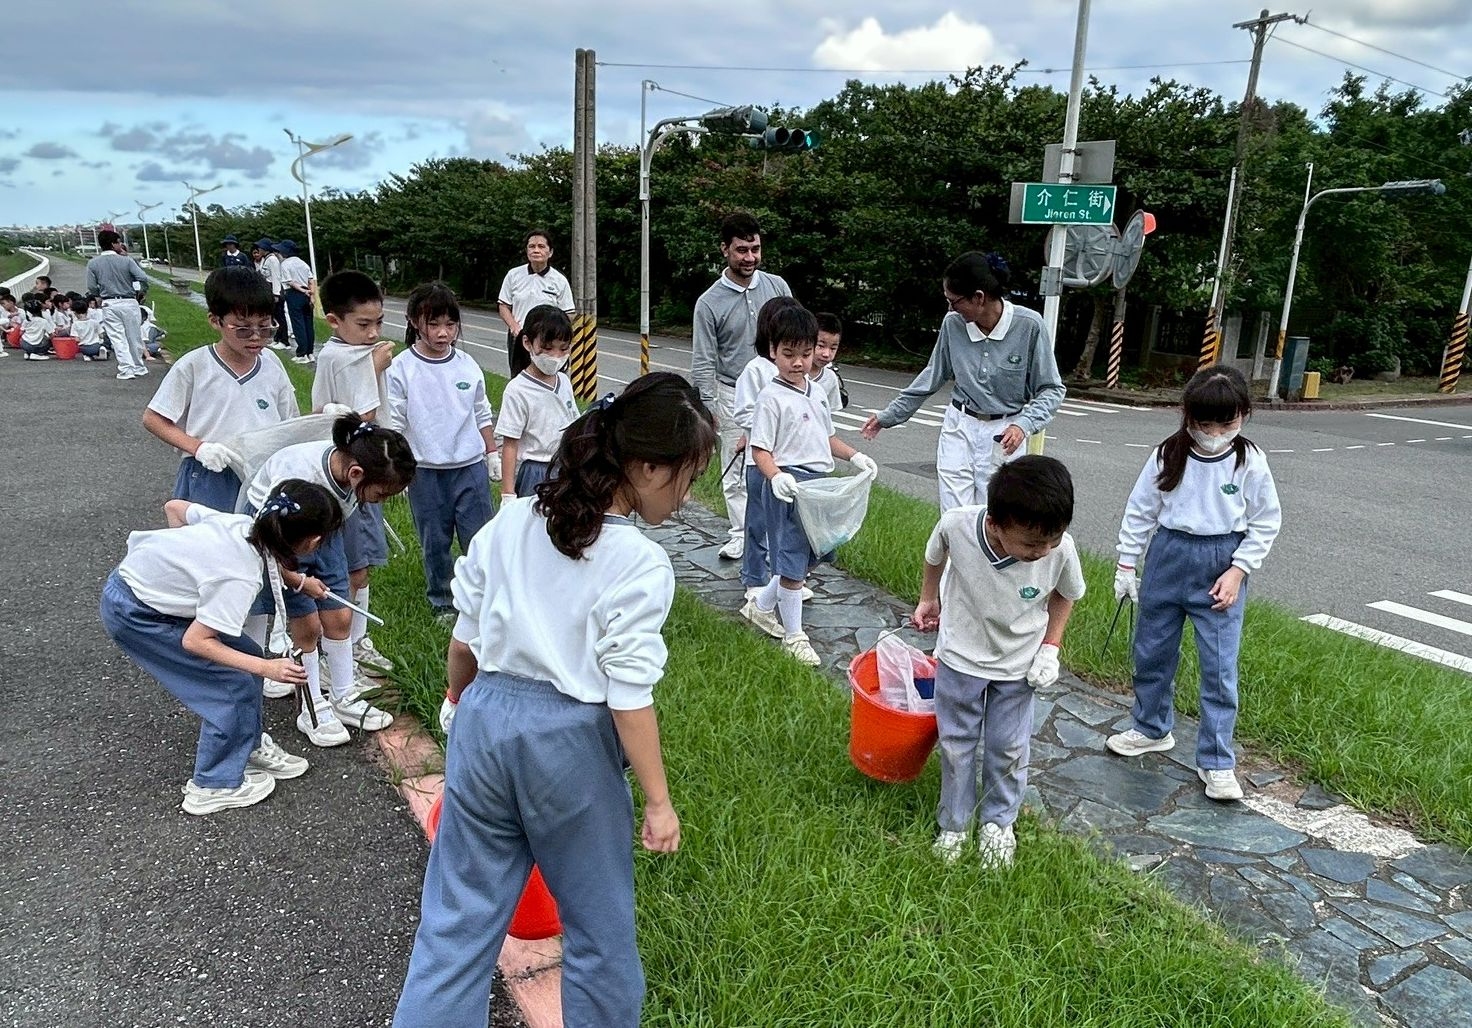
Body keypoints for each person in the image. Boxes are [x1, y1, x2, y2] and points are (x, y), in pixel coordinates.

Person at [394, 372, 716, 1028]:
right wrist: (658, 802)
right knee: (598, 933)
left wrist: (456, 702)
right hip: (568, 746)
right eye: (688, 477)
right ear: (648, 468)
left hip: (483, 723)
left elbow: (464, 643)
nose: (686, 496)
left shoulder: (511, 521)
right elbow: (629, 697)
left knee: (455, 925)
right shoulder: (639, 561)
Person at [99, 479, 343, 815]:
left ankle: (246, 746)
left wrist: (297, 581)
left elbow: (175, 508)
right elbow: (195, 641)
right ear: (312, 542)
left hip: (139, 591)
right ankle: (213, 785)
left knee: (247, 655)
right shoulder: (238, 577)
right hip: (138, 614)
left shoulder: (243, 525)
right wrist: (268, 668)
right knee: (231, 684)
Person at [1106, 365, 1281, 802]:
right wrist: (1126, 564)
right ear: (1187, 415)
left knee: (1219, 668)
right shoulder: (1169, 454)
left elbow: (1265, 522)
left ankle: (1217, 759)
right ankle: (1151, 727)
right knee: (1151, 651)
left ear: (1244, 415)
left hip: (1221, 564)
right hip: (1168, 555)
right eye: (1205, 424)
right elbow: (1140, 510)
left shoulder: (1249, 460)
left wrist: (1238, 570)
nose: (1215, 434)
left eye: (1227, 423)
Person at [910, 456, 1085, 866]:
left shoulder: (1060, 550)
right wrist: (928, 598)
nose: (1042, 551)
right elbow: (935, 555)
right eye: (1031, 544)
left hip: (1017, 664)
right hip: (960, 656)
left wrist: (1051, 647)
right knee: (956, 743)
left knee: (1008, 747)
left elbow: (1067, 594)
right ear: (994, 524)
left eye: (1052, 539)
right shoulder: (957, 525)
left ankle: (997, 823)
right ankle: (954, 824)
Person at [245, 414, 417, 746]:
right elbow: (265, 540)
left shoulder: (352, 473)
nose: (380, 502)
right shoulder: (297, 473)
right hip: (282, 541)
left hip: (324, 532)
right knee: (307, 627)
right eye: (381, 495)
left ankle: (343, 694)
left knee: (340, 616)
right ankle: (311, 707)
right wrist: (297, 580)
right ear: (356, 474)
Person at [861, 251, 1065, 512]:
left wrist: (1023, 425)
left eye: (954, 301)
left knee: (994, 514)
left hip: (1005, 432)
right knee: (954, 514)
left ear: (979, 297)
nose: (950, 309)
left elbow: (1051, 389)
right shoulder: (953, 324)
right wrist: (889, 416)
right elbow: (932, 376)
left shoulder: (1029, 325)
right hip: (960, 426)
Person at [741, 303, 877, 667]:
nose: (798, 363)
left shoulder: (816, 392)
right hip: (789, 484)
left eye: (805, 353)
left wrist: (855, 456)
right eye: (789, 354)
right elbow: (760, 449)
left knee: (816, 551)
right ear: (773, 351)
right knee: (792, 557)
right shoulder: (771, 398)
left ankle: (762, 606)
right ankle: (794, 635)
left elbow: (826, 437)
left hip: (818, 484)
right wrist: (776, 476)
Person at [143, 267, 299, 514]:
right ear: (216, 321)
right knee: (209, 535)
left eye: (265, 328)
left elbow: (290, 422)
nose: (256, 337)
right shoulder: (195, 366)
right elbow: (154, 419)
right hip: (210, 472)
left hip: (263, 473)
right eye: (243, 329)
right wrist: (198, 448)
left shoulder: (272, 364)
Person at [384, 281, 496, 620]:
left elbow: (481, 411)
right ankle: (443, 601)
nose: (443, 333)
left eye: (450, 324)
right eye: (433, 324)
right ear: (414, 321)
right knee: (435, 541)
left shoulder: (466, 364)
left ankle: (485, 597)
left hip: (470, 467)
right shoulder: (401, 368)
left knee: (480, 538)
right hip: (426, 472)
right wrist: (398, 470)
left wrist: (491, 453)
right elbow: (395, 424)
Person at [691, 212, 793, 561]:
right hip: (734, 394)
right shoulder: (709, 302)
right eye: (741, 250)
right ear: (725, 250)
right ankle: (741, 534)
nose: (750, 258)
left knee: (780, 463)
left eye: (755, 249)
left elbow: (797, 334)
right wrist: (708, 409)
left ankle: (778, 536)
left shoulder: (777, 287)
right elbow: (703, 360)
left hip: (780, 389)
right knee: (738, 470)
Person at [731, 296, 802, 597]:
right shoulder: (757, 370)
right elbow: (743, 412)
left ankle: (783, 582)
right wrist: (769, 423)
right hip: (759, 462)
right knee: (757, 524)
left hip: (789, 462)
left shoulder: (799, 374)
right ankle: (754, 579)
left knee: (786, 528)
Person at [496, 304, 578, 501]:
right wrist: (508, 493)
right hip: (536, 472)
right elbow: (510, 445)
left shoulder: (564, 382)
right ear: (527, 343)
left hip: (565, 467)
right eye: (547, 348)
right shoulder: (518, 390)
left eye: (563, 349)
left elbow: (573, 424)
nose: (556, 356)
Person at [496, 229, 575, 378]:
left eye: (541, 246)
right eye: (532, 246)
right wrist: (514, 327)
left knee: (548, 378)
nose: (536, 250)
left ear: (550, 252)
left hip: (547, 341)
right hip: (520, 337)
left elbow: (568, 313)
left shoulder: (559, 280)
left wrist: (554, 334)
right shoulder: (513, 275)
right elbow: (504, 306)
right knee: (519, 377)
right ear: (527, 251)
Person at [86, 229, 152, 381]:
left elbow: (91, 286)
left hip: (109, 302)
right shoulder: (127, 261)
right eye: (118, 242)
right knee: (134, 335)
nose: (120, 245)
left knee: (117, 337)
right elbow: (142, 277)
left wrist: (98, 294)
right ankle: (138, 366)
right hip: (129, 301)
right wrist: (139, 289)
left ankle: (126, 368)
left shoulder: (93, 263)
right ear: (113, 244)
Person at [275, 239, 316, 364]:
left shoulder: (285, 264)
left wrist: (302, 290)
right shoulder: (303, 263)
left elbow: (290, 282)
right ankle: (310, 352)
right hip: (307, 294)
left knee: (298, 324)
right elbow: (311, 280)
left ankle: (302, 353)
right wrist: (311, 295)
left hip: (294, 294)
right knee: (308, 324)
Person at [256, 238, 289, 350]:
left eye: (260, 248)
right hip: (268, 288)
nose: (259, 250)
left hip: (275, 290)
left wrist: (276, 294)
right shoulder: (265, 259)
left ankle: (284, 340)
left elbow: (276, 277)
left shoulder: (273, 260)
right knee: (274, 315)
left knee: (279, 316)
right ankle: (277, 338)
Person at [813, 312, 848, 411]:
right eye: (820, 346)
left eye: (833, 348)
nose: (826, 354)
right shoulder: (793, 372)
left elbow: (829, 414)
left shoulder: (831, 378)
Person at [70, 296, 107, 361]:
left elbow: (77, 339)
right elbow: (101, 335)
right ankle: (101, 350)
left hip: (84, 348)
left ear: (75, 313)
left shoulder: (75, 324)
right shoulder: (94, 322)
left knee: (84, 349)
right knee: (102, 344)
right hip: (96, 346)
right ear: (87, 311)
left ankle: (87, 356)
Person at [17, 295, 53, 360]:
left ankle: (28, 353)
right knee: (47, 340)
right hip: (37, 345)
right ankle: (36, 354)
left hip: (24, 344)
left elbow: (21, 333)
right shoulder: (43, 321)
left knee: (26, 340)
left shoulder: (27, 320)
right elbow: (51, 334)